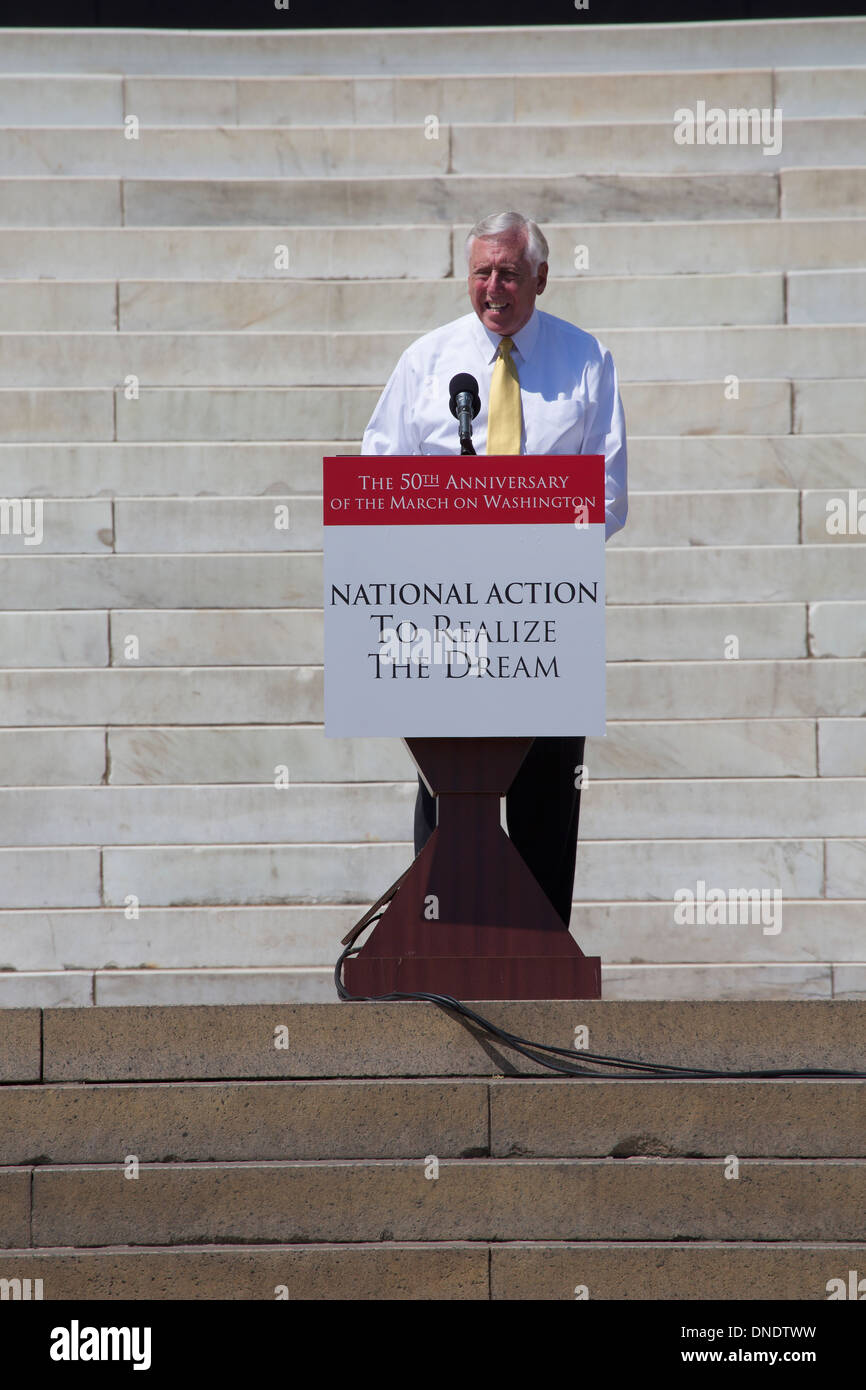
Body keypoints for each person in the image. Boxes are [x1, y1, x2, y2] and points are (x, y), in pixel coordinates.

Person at [360, 210, 627, 927]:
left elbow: (606, 496)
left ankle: (539, 969)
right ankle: (441, 951)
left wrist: (525, 529)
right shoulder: (426, 362)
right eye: (481, 272)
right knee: (451, 790)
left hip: (548, 612)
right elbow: (378, 480)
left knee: (544, 795)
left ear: (541, 275)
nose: (494, 287)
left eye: (509, 272)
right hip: (446, 617)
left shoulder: (586, 360)